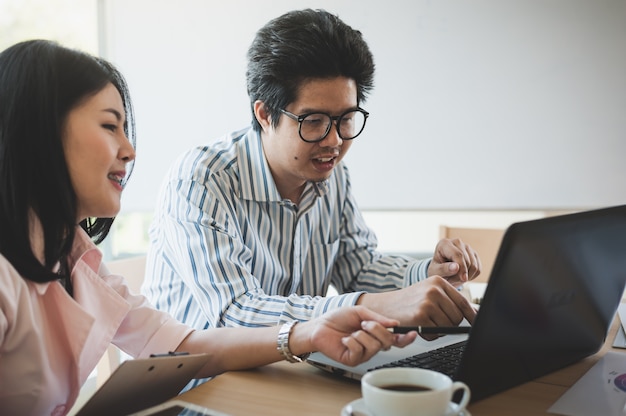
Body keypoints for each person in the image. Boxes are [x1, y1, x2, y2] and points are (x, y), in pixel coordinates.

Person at [0, 39, 417, 416]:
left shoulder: (74, 254)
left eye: (344, 120)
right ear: (38, 132)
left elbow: (185, 346)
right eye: (110, 126)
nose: (129, 150)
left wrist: (307, 334)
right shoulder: (203, 176)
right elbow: (228, 317)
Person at [143, 8, 480, 334]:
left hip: (291, 370)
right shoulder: (202, 181)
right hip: (198, 382)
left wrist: (427, 272)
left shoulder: (331, 175)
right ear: (264, 114)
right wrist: (375, 307)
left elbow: (357, 266)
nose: (333, 140)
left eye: (346, 119)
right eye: (314, 121)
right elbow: (235, 313)